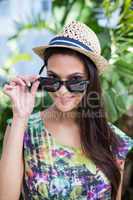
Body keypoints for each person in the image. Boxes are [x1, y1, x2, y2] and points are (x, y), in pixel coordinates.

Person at [0, 20, 133, 200]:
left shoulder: (114, 141)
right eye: (53, 79)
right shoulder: (23, 129)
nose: (62, 91)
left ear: (91, 81)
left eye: (75, 81)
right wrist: (20, 116)